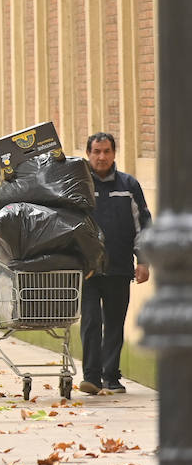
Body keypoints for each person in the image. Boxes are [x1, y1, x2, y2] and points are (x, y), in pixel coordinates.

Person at [79, 131, 151, 395]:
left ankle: (111, 376)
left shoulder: (128, 185)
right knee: (91, 320)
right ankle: (91, 377)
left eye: (107, 151)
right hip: (86, 268)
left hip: (120, 266)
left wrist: (143, 261)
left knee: (114, 322)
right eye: (96, 151)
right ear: (88, 154)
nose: (101, 156)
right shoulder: (78, 184)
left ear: (114, 153)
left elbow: (143, 224)